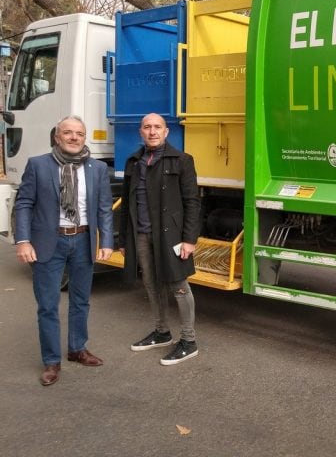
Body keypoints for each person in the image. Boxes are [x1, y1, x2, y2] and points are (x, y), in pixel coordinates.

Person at [14, 115, 114, 386]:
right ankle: (51, 361)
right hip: (48, 242)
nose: (73, 138)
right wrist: (23, 240)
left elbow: (104, 208)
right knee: (48, 306)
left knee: (81, 300)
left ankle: (77, 349)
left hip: (83, 241)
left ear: (84, 138)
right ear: (57, 137)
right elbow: (23, 204)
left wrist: (106, 241)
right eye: (67, 133)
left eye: (78, 134)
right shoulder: (38, 165)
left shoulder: (97, 169)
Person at [119, 113, 201, 365]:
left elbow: (192, 202)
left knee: (178, 285)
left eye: (157, 127)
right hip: (142, 234)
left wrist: (189, 239)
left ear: (166, 132)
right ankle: (162, 332)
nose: (152, 131)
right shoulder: (134, 161)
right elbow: (126, 205)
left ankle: (188, 341)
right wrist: (124, 239)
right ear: (140, 132)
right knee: (151, 283)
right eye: (147, 127)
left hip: (171, 236)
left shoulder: (182, 160)